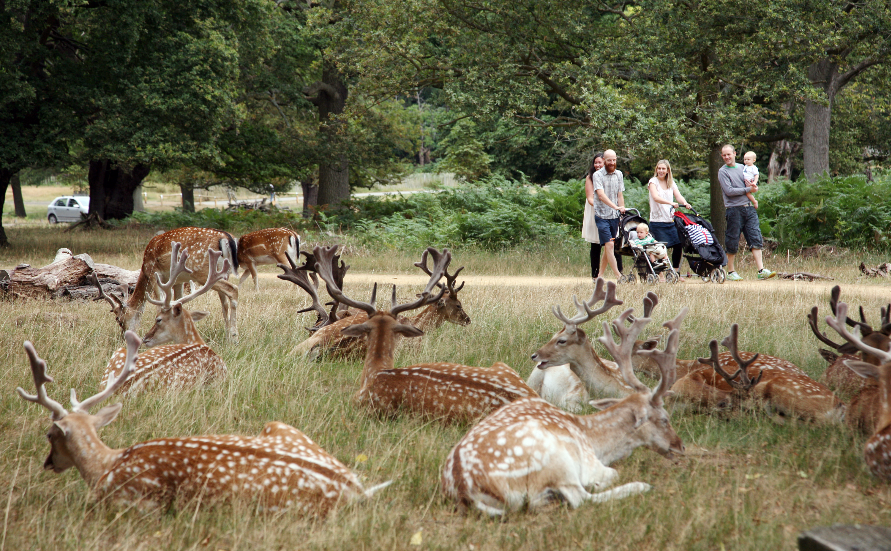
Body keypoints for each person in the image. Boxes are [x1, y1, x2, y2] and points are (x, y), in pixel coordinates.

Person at [718, 144, 775, 281]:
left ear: (734, 153)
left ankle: (761, 270)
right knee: (732, 240)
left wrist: (753, 188)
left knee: (755, 236)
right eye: (724, 155)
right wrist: (747, 190)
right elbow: (729, 191)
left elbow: (752, 181)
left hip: (749, 208)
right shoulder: (722, 171)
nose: (726, 157)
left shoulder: (744, 168)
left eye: (729, 154)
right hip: (733, 210)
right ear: (722, 156)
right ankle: (731, 271)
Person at [646, 159, 692, 276]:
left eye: (663, 169)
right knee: (660, 248)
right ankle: (660, 274)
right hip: (657, 222)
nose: (661, 171)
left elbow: (678, 196)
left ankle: (675, 272)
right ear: (656, 169)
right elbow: (655, 197)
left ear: (667, 171)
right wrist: (670, 203)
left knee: (678, 245)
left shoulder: (671, 182)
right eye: (659, 168)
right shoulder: (653, 182)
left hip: (669, 220)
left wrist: (685, 203)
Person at [590, 149, 626, 280]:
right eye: (609, 160)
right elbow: (601, 195)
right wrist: (615, 206)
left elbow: (620, 194)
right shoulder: (597, 175)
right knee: (609, 245)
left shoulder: (619, 174)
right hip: (602, 216)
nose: (612, 162)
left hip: (614, 217)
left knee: (608, 246)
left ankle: (599, 275)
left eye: (614, 160)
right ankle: (618, 276)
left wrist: (621, 208)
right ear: (604, 160)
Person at [582, 152, 606, 279]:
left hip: (609, 211)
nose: (597, 165)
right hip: (595, 211)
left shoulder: (611, 176)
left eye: (600, 162)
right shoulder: (590, 177)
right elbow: (590, 198)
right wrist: (601, 207)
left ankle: (618, 273)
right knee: (596, 245)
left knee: (612, 243)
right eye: (595, 162)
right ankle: (595, 275)